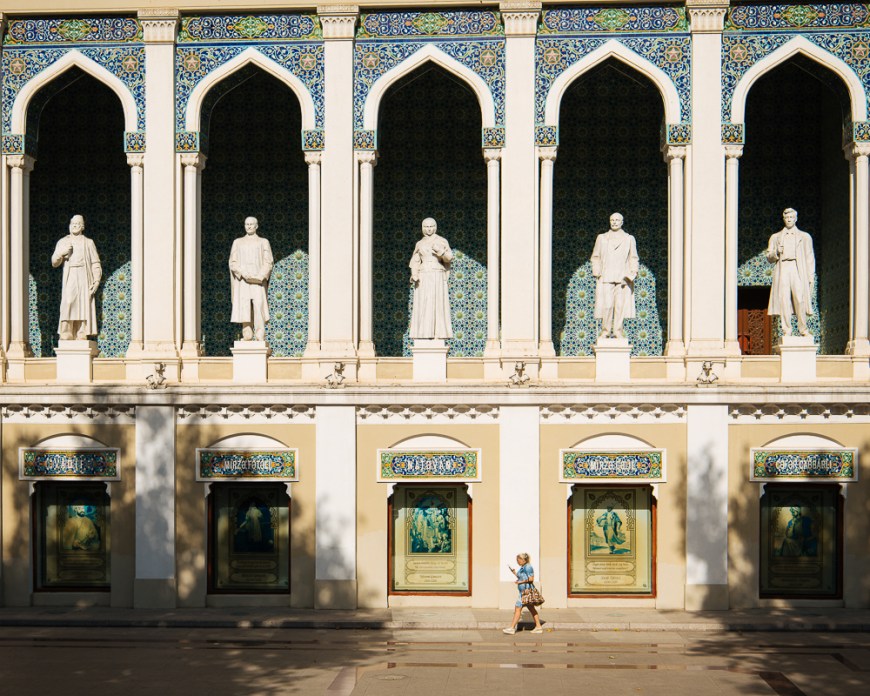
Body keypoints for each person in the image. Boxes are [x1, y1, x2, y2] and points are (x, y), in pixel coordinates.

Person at [51, 214, 101, 340]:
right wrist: (61, 253)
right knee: (68, 301)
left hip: (84, 274)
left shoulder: (89, 243)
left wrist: (96, 281)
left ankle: (81, 331)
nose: (75, 225)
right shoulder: (63, 242)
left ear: (82, 226)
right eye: (73, 223)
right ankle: (66, 330)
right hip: (71, 273)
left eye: (78, 223)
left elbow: (95, 263)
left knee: (83, 302)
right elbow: (54, 262)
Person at [766, 208, 815, 337]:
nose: (789, 220)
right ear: (783, 219)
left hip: (797, 268)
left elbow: (810, 257)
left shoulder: (804, 237)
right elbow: (769, 257)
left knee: (800, 298)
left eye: (791, 218)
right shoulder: (775, 237)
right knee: (784, 299)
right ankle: (787, 330)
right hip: (783, 268)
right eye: (787, 218)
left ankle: (803, 329)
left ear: (796, 219)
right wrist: (776, 251)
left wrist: (811, 276)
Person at [590, 212, 639, 339]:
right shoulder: (602, 238)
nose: (614, 222)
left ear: (622, 222)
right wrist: (597, 271)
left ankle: (618, 331)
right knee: (607, 305)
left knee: (619, 306)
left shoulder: (629, 238)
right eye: (612, 220)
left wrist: (632, 274)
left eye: (617, 220)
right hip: (606, 276)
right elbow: (595, 256)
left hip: (622, 277)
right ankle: (605, 331)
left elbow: (633, 258)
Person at [229, 216, 274, 342]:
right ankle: (247, 334)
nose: (249, 226)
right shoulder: (238, 242)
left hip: (258, 282)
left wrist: (260, 276)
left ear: (256, 226)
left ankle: (260, 335)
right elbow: (233, 262)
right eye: (246, 224)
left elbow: (268, 261)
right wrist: (242, 273)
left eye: (251, 224)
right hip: (243, 280)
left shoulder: (263, 242)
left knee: (258, 306)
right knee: (245, 307)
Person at [409, 217, 453, 340]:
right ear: (423, 228)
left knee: (437, 302)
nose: (429, 229)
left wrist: (440, 252)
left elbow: (449, 258)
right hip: (423, 275)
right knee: (424, 303)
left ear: (435, 227)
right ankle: (423, 333)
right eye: (426, 227)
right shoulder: (420, 243)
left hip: (437, 274)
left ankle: (438, 333)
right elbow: (415, 260)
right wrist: (414, 274)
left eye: (431, 226)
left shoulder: (441, 241)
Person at [503, 552, 544, 635]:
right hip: (523, 591)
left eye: (518, 560)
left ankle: (512, 628)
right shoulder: (523, 567)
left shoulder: (528, 567)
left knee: (518, 608)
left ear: (523, 560)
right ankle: (538, 627)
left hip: (526, 592)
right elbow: (521, 577)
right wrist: (514, 572)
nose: (517, 562)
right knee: (531, 609)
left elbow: (531, 579)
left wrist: (520, 582)